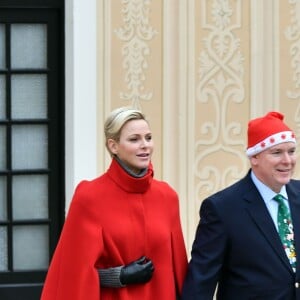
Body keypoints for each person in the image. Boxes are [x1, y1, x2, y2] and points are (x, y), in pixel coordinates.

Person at [40, 106, 188, 300]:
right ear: (113, 146)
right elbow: (73, 274)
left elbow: (179, 273)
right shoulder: (89, 197)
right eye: (134, 139)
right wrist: (119, 276)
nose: (145, 145)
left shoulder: (167, 197)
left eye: (149, 138)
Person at [182, 111, 300, 300]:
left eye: (291, 151)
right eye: (277, 152)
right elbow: (200, 282)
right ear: (254, 158)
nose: (287, 160)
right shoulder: (222, 209)